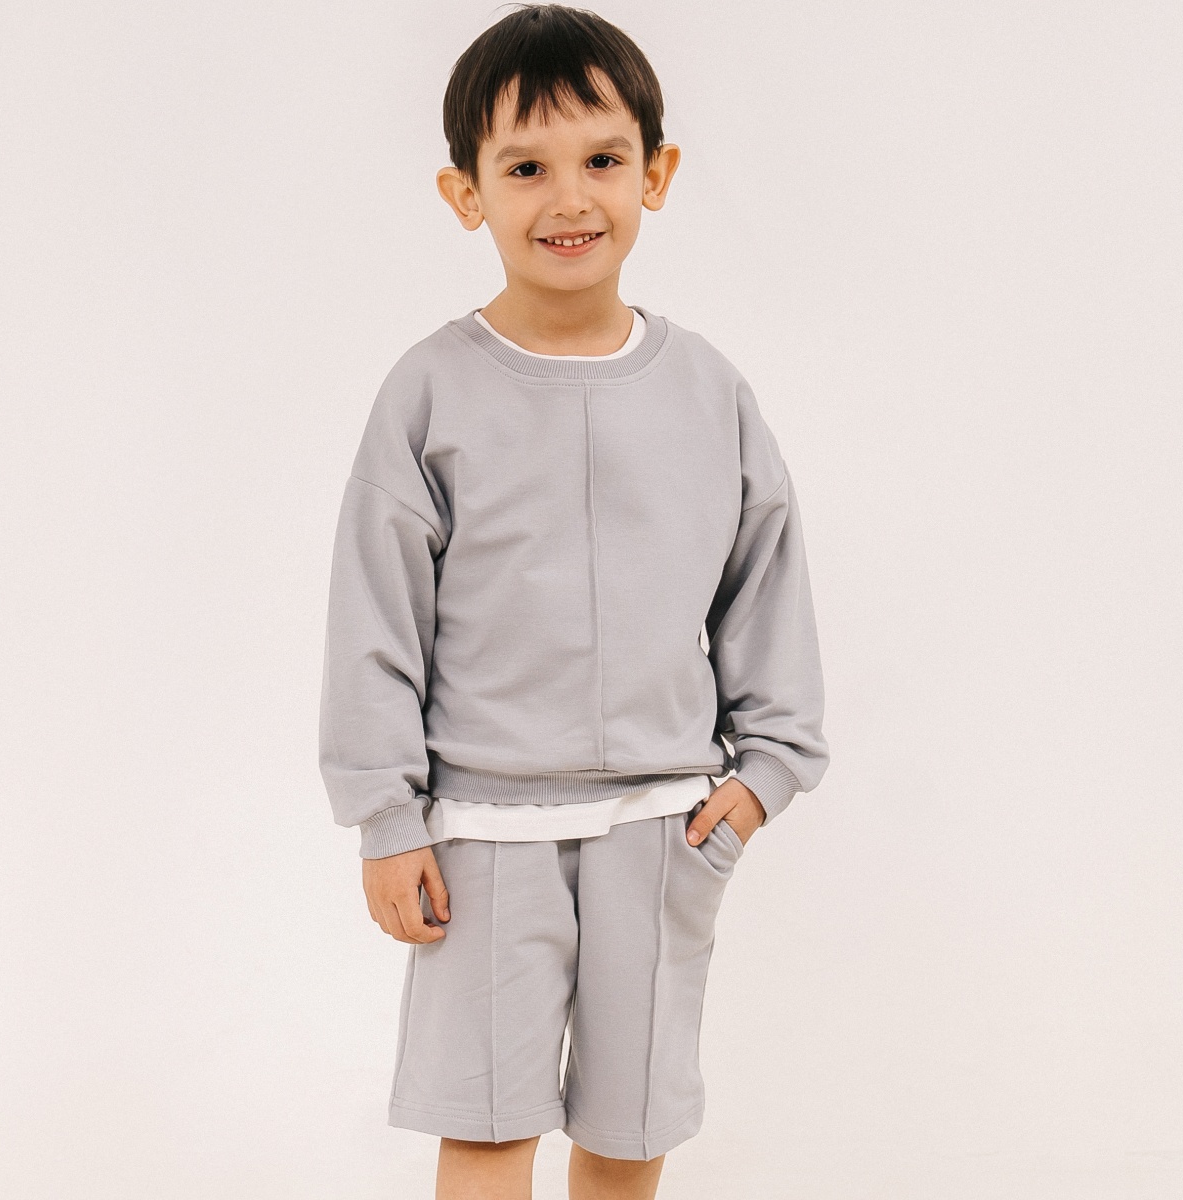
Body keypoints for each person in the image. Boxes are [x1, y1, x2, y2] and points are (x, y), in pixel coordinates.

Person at [318, 5, 829, 1197]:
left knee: (629, 1132)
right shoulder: (429, 392)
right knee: (488, 1130)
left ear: (657, 173)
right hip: (483, 835)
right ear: (465, 194)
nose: (569, 199)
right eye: (525, 169)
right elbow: (375, 616)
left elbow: (765, 582)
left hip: (664, 829)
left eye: (602, 160)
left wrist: (764, 776)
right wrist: (386, 818)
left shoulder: (708, 390)